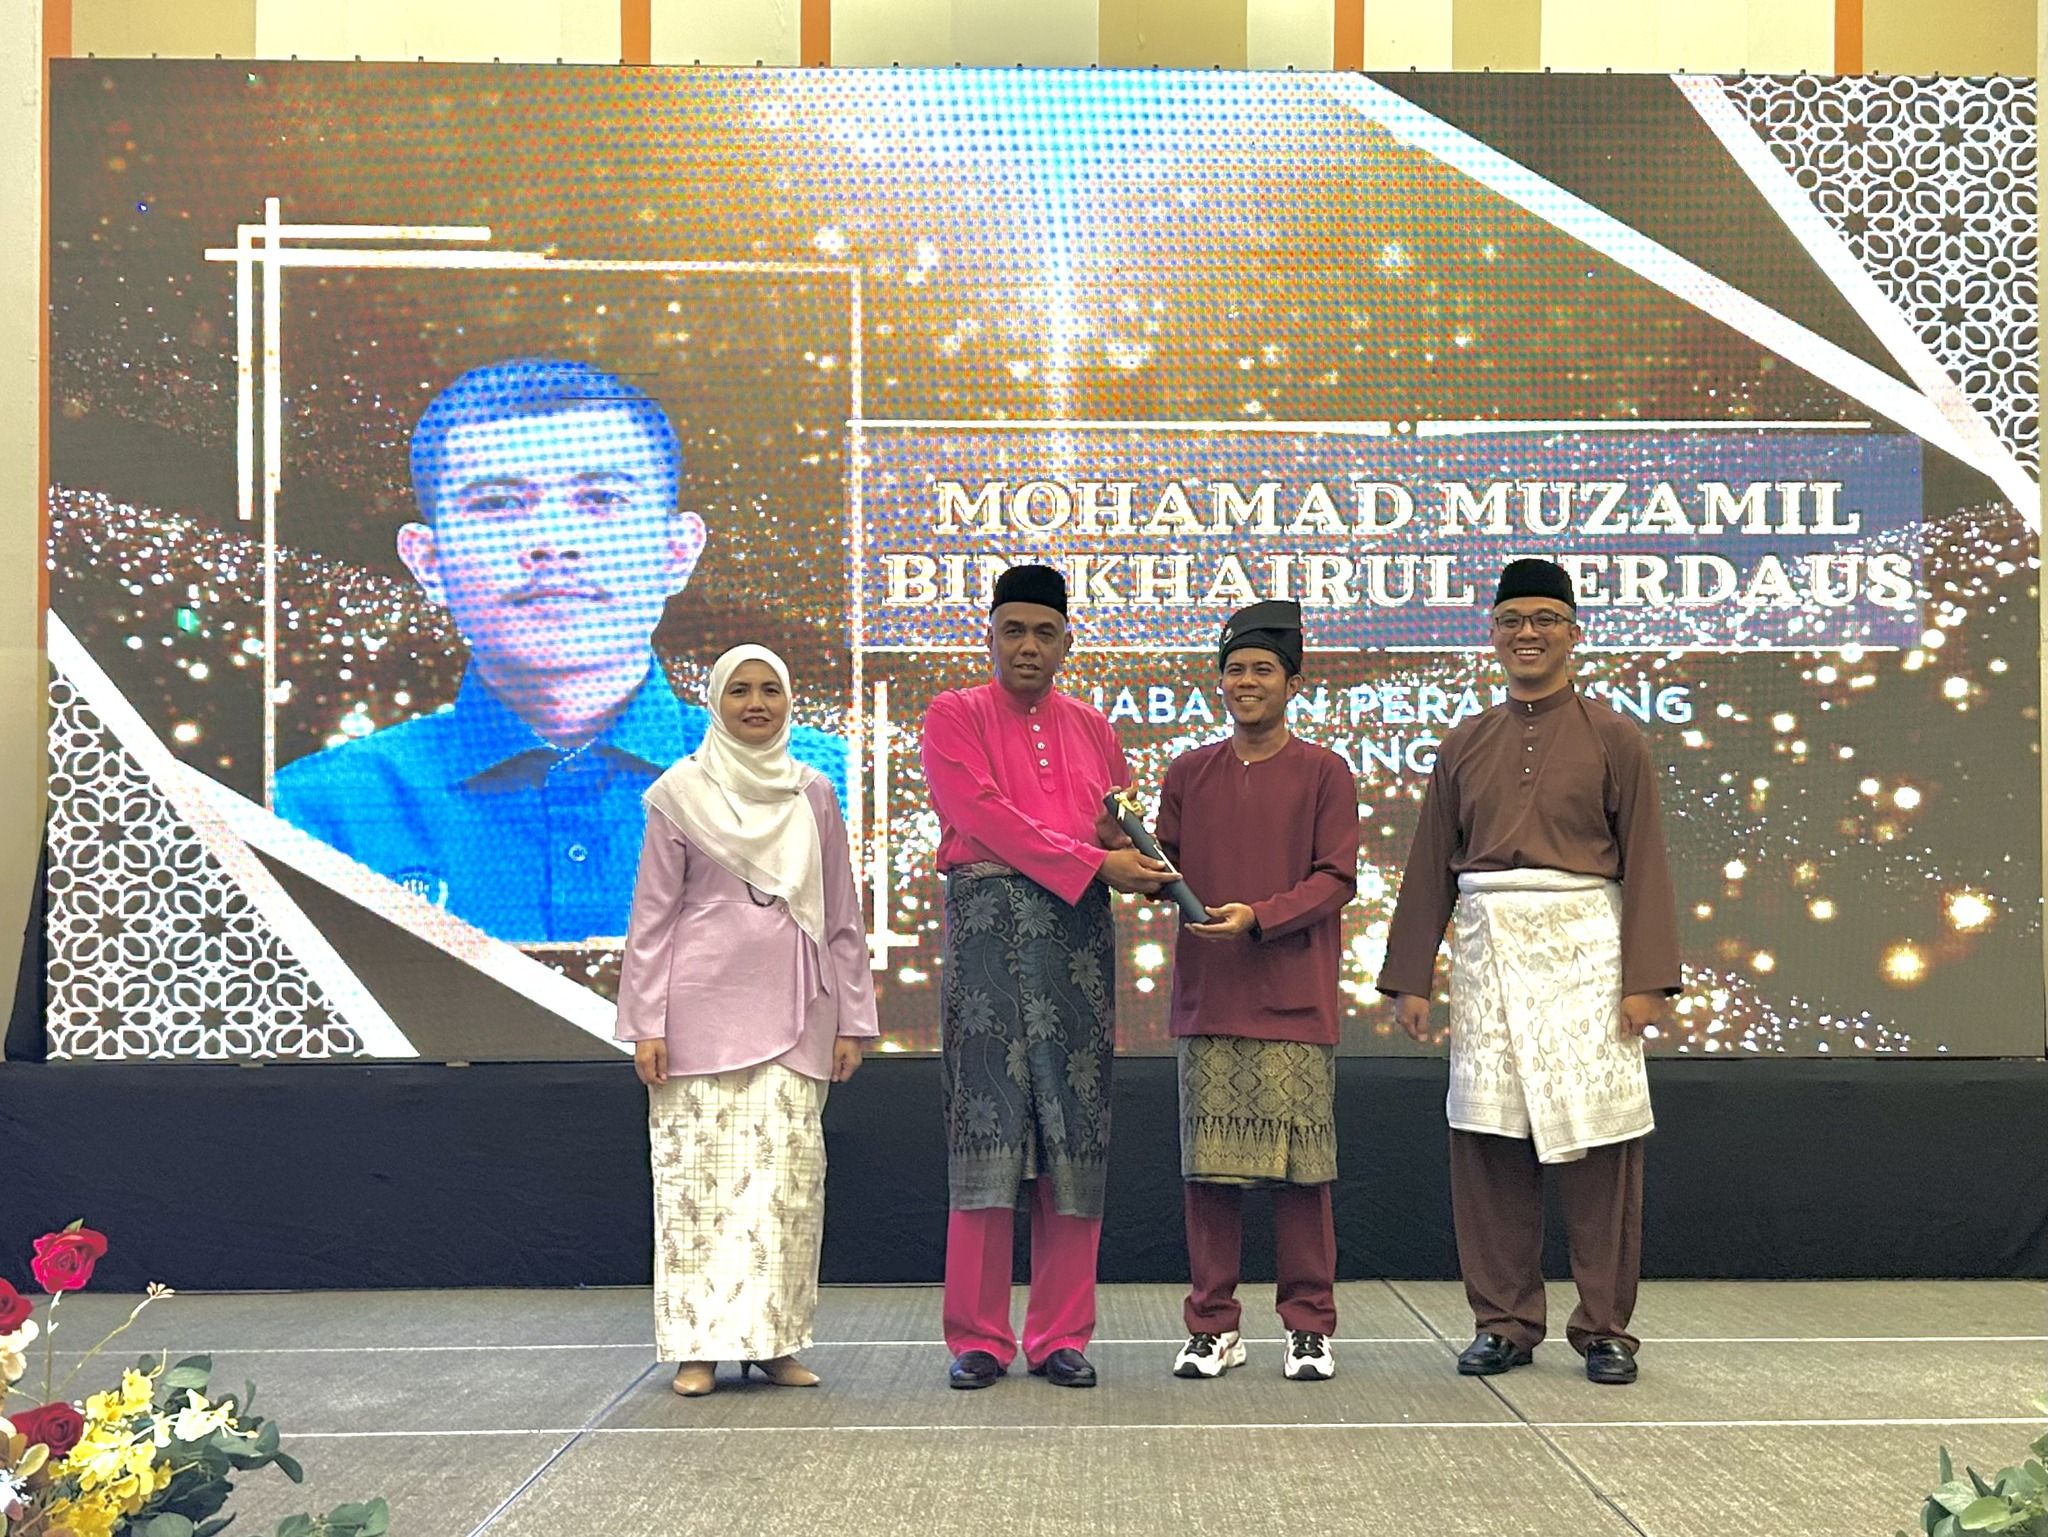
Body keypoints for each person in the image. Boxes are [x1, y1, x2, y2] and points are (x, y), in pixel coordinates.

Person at [275, 358, 847, 945]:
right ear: (429, 561)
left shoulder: (829, 788)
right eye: (497, 504)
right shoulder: (314, 811)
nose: (554, 542)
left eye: (602, 498)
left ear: (677, 552)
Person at [1377, 558, 1680, 1387]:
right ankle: (1503, 1321)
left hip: (1587, 955)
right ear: (1493, 635)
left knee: (1600, 1144)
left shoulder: (1617, 737)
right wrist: (1411, 974)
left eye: (1545, 618)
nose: (1528, 633)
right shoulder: (1465, 741)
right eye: (1511, 620)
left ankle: (1605, 1327)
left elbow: (1646, 859)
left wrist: (1646, 978)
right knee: (1489, 1140)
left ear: (1574, 633)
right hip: (1488, 952)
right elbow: (1430, 863)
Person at [920, 563, 1174, 1391]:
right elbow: (982, 817)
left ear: (1068, 640)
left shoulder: (1095, 727)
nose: (1027, 646)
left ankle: (1062, 1333)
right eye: (1013, 631)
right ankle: (978, 1337)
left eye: (1043, 632)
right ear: (989, 635)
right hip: (990, 934)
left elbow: (1111, 823)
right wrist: (1096, 860)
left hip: (1075, 941)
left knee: (1074, 1126)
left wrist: (1131, 850)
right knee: (987, 1123)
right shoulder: (953, 714)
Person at [614, 643, 876, 1398]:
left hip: (799, 1013)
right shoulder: (678, 792)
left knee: (784, 1188)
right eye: (740, 690)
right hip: (696, 1015)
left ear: (788, 701)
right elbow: (652, 917)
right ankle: (697, 1349)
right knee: (697, 1185)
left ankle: (774, 1342)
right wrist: (646, 1022)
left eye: (769, 690)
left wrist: (853, 1020)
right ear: (715, 702)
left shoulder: (813, 792)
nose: (756, 703)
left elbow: (841, 914)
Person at [1156, 600, 1359, 1382]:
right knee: (1208, 1174)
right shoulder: (1188, 772)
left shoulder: (1324, 771)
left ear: (1292, 683)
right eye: (1235, 669)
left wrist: (1259, 918)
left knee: (1302, 1177)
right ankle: (1213, 1325)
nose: (1246, 681)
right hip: (1209, 996)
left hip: (1294, 997)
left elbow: (1336, 877)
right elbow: (1163, 866)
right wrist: (1120, 853)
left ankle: (1308, 1324)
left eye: (1262, 670)